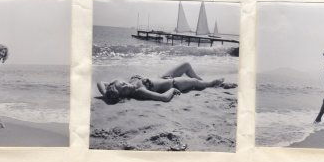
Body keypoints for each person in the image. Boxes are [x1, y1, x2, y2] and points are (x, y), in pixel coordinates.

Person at [96, 62, 232, 104]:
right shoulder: (139, 91)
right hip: (174, 83)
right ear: (122, 96)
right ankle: (209, 84)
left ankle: (202, 82)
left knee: (186, 65)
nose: (127, 85)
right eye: (124, 88)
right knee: (195, 82)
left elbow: (100, 82)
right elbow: (163, 98)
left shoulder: (125, 84)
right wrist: (173, 90)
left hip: (165, 77)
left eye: (123, 83)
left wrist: (105, 94)